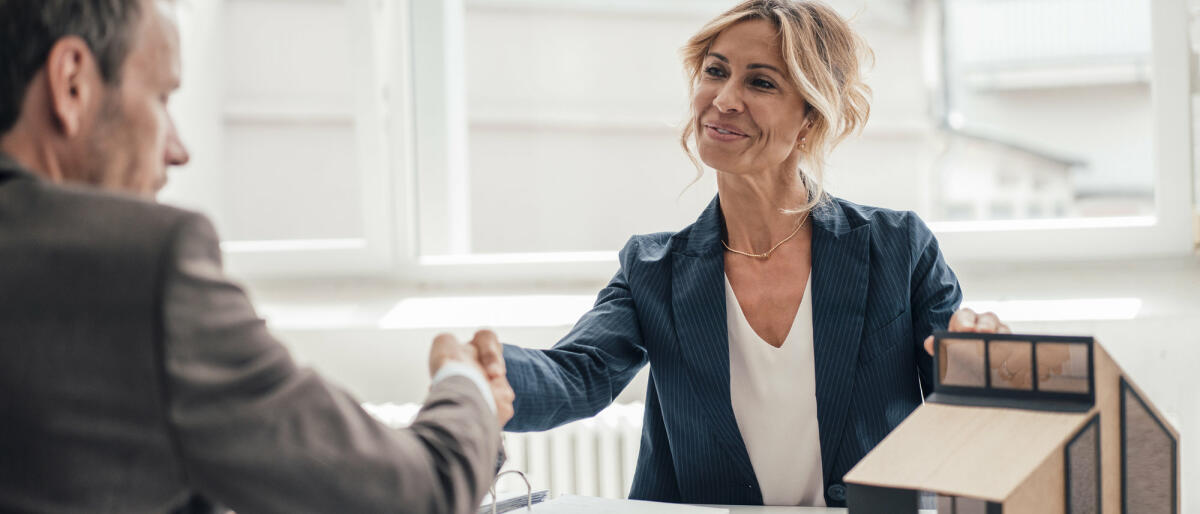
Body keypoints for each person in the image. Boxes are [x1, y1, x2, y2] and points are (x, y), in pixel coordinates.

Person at [460, 0, 1011, 507]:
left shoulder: (897, 248)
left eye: (761, 82)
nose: (724, 100)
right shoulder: (655, 270)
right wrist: (495, 375)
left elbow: (960, 410)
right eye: (716, 71)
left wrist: (986, 369)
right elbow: (579, 374)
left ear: (811, 118)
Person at [0, 1, 513, 513]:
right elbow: (418, 494)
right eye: (161, 98)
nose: (178, 150)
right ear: (71, 83)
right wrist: (465, 385)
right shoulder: (143, 267)